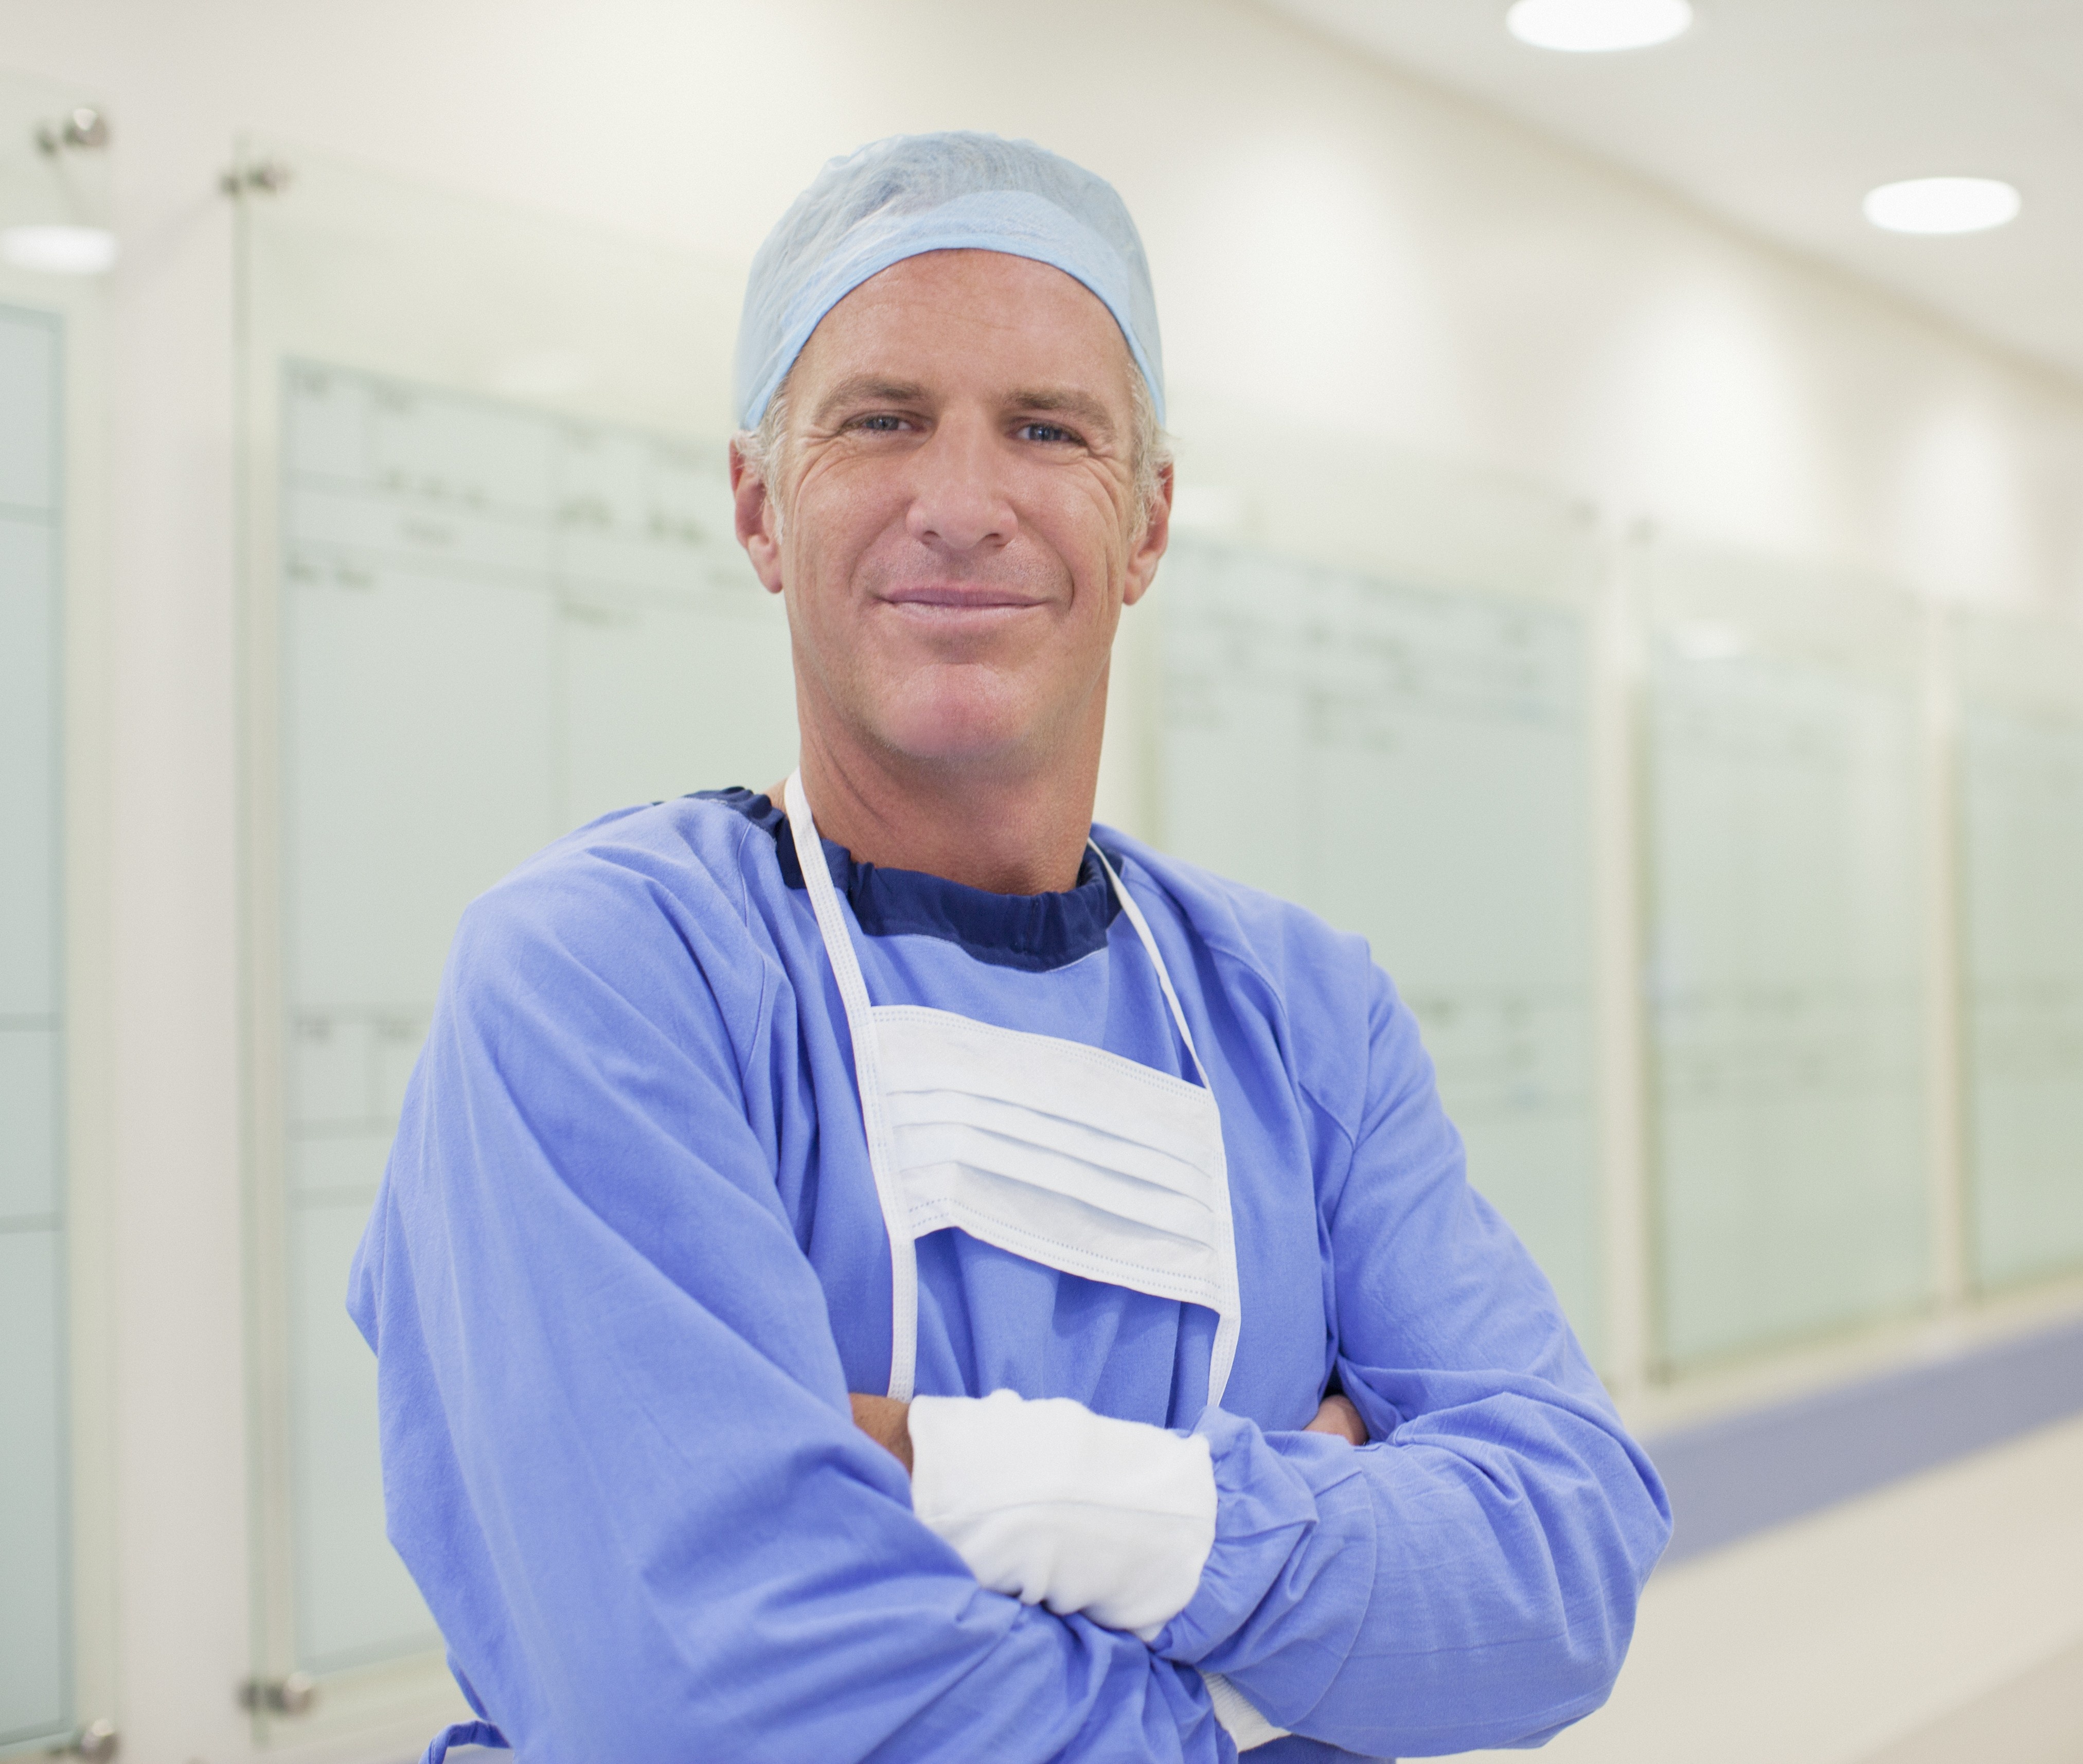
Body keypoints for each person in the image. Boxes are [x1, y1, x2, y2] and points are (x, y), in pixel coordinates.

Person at [351, 131, 1669, 1764]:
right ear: (761, 507)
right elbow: (701, 1698)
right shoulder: (609, 979)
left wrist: (988, 1487)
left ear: (1146, 522)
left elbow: (1553, 1575)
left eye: (1046, 430)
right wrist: (1268, 1653)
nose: (963, 505)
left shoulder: (1296, 1012)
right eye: (881, 421)